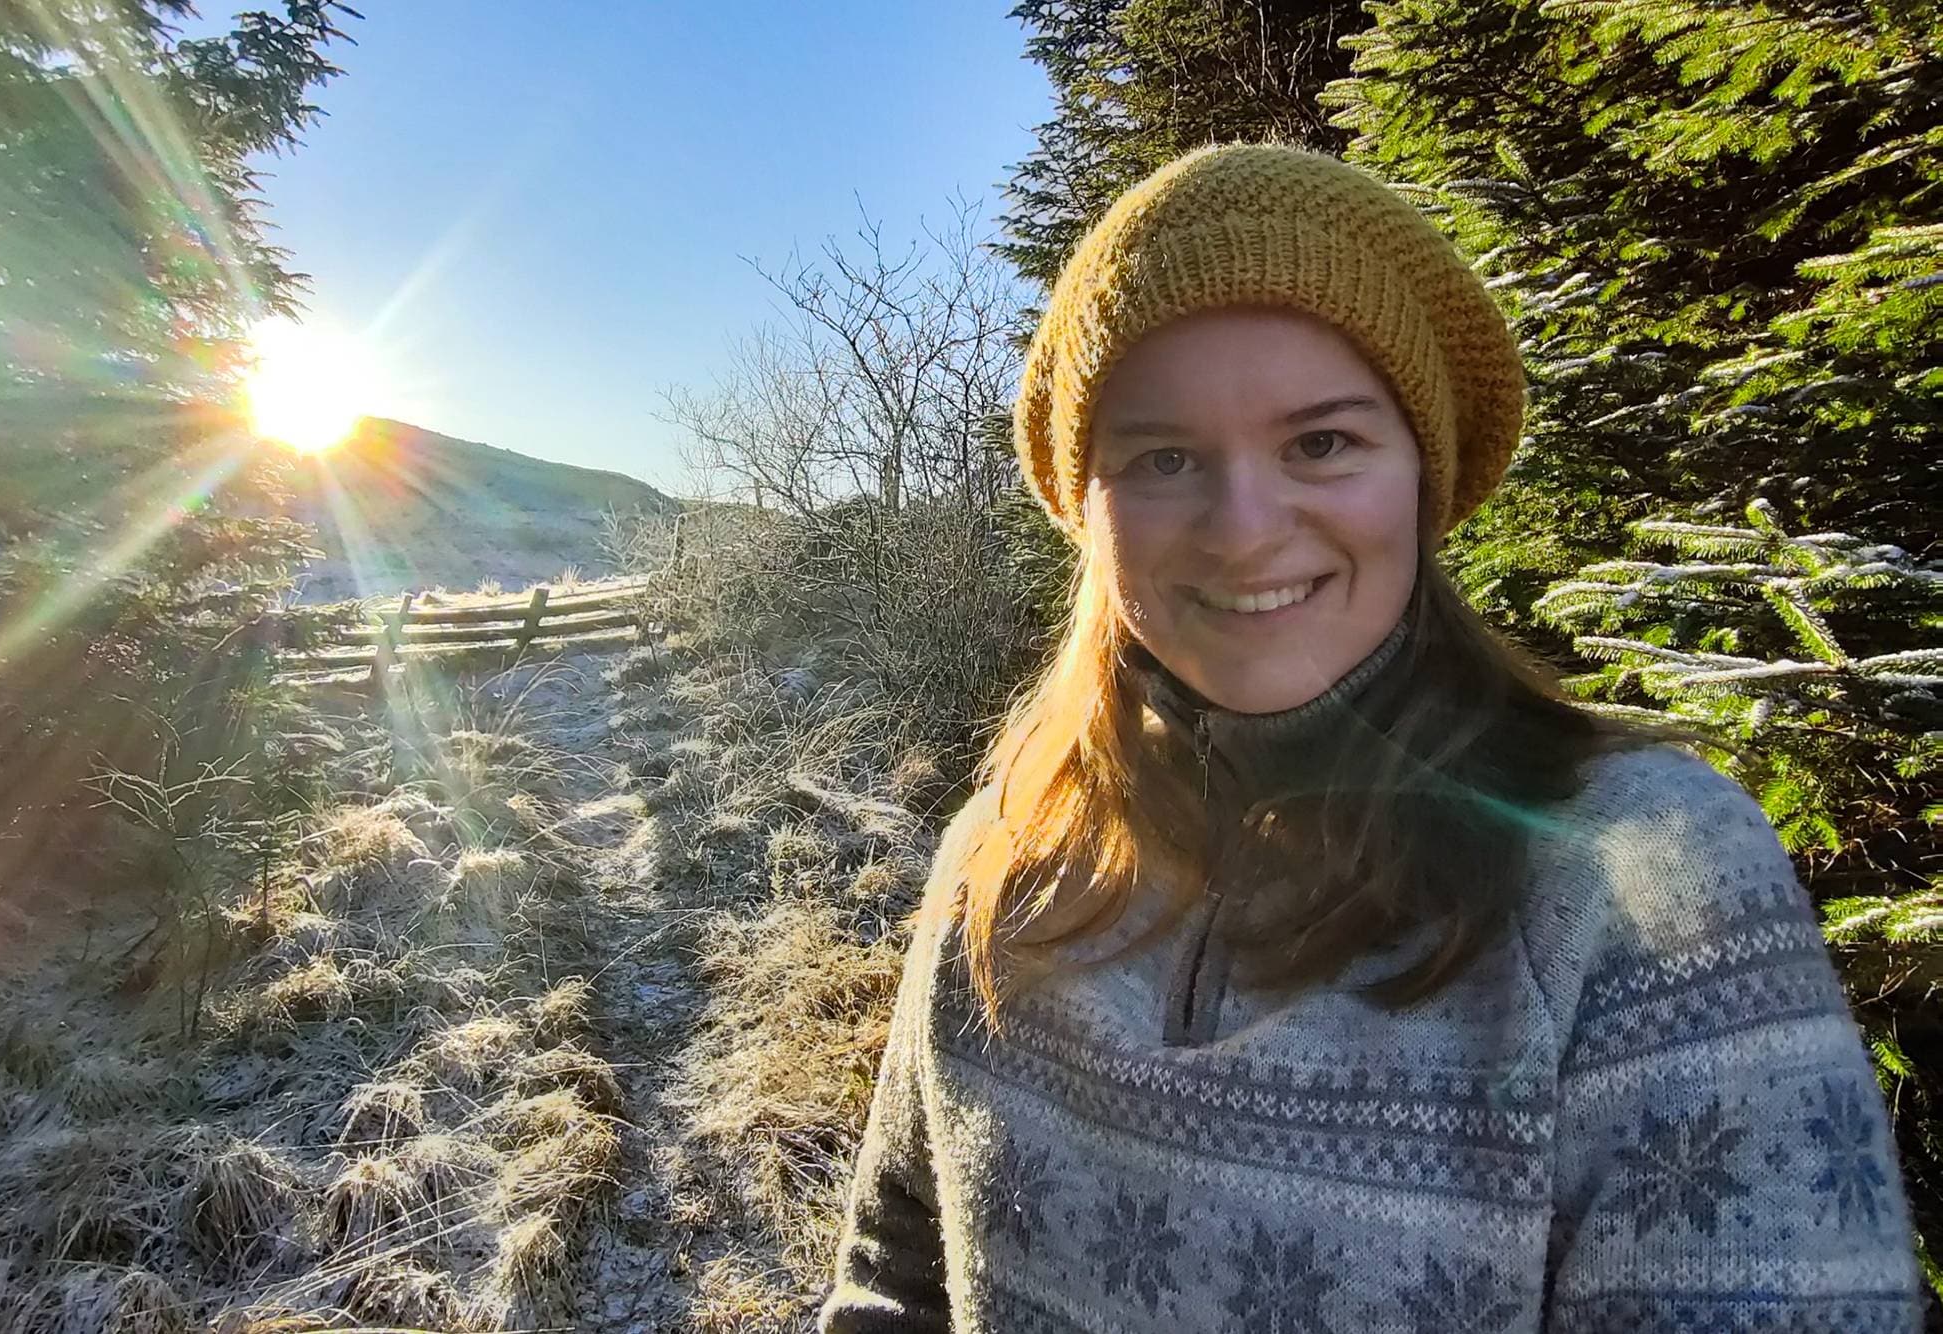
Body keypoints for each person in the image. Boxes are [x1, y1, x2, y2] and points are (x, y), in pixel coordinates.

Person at [817, 142, 1923, 1333]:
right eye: (1163, 457)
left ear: (1419, 476)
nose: (1242, 530)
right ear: (1087, 507)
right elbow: (894, 1277)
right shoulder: (1006, 847)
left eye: (1321, 442)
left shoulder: (1645, 881)